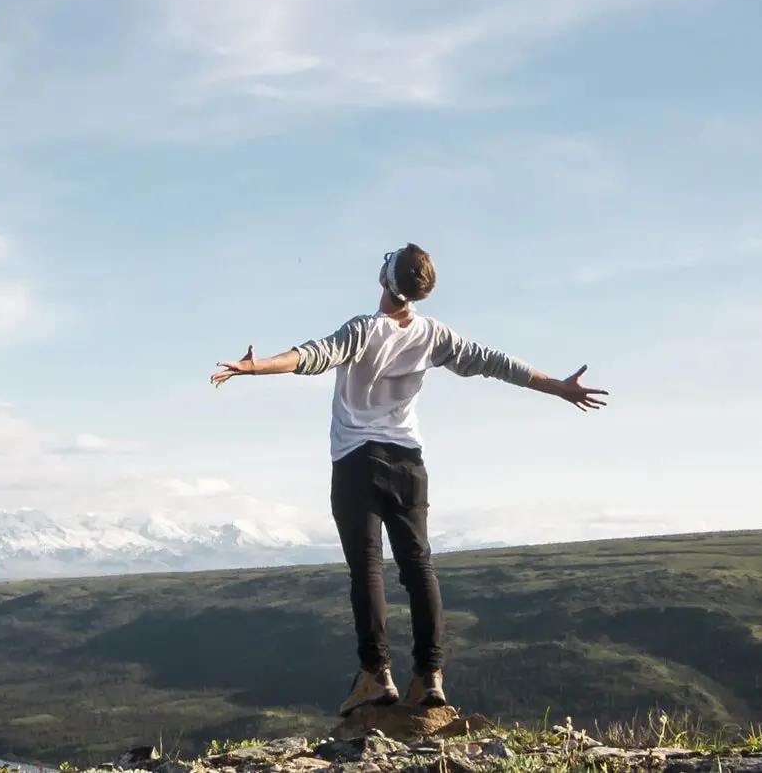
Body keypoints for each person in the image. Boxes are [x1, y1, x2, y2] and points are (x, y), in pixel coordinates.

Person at [209, 243, 608, 716]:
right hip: (408, 462)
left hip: (357, 462)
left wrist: (255, 367)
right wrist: (558, 387)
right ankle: (430, 678)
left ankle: (375, 676)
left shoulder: (363, 330)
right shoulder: (432, 335)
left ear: (386, 279)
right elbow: (498, 363)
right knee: (419, 568)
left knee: (368, 570)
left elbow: (311, 356)